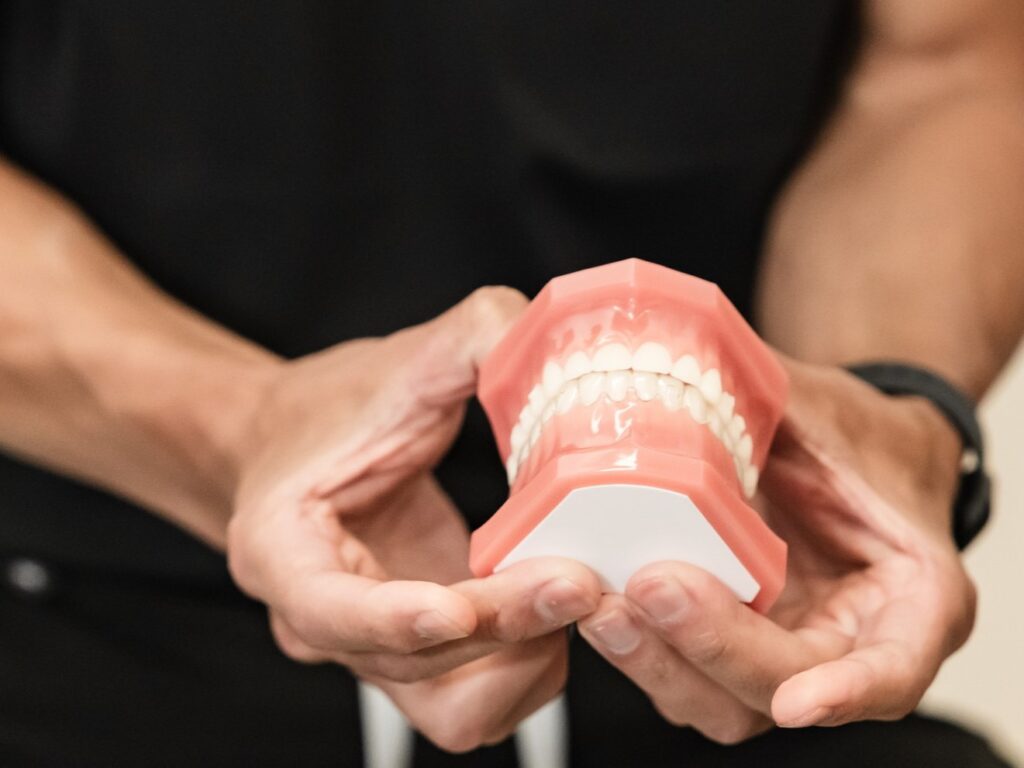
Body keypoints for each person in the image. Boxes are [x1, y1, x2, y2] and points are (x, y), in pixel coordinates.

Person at [1, 1, 1022, 766]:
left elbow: (940, 61)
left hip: (755, 639)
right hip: (82, 626)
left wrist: (887, 404)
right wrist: (230, 428)